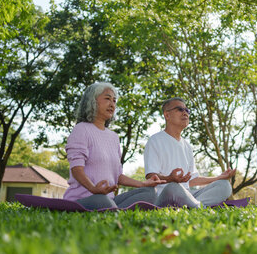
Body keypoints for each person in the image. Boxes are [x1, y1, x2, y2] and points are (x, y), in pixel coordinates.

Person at [63, 83, 198, 210]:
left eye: (114, 101)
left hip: (109, 199)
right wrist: (93, 189)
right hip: (84, 199)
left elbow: (118, 176)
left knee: (149, 193)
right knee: (102, 201)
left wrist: (143, 184)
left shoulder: (113, 137)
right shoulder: (81, 129)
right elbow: (76, 169)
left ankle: (115, 209)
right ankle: (113, 210)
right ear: (93, 101)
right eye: (107, 98)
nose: (112, 104)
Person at [144, 97, 237, 207]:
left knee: (224, 185)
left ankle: (193, 206)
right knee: (174, 187)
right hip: (165, 195)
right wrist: (170, 179)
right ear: (167, 115)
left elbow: (192, 180)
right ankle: (196, 206)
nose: (185, 113)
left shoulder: (187, 146)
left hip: (188, 195)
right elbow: (150, 176)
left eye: (187, 110)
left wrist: (219, 178)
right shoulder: (155, 140)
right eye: (180, 109)